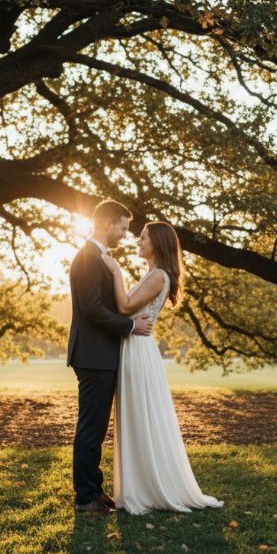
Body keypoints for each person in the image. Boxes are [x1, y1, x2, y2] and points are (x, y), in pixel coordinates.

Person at [100, 221, 224, 515]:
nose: (137, 242)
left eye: (142, 238)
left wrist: (115, 271)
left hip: (139, 350)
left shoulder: (158, 276)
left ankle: (146, 488)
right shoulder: (152, 274)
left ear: (157, 242)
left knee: (140, 414)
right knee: (136, 415)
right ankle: (137, 485)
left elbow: (125, 306)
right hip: (134, 347)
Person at [67, 199, 153, 514]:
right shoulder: (89, 257)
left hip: (99, 354)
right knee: (90, 427)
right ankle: (85, 498)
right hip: (93, 355)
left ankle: (94, 489)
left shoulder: (97, 256)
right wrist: (130, 325)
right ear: (108, 224)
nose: (125, 234)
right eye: (123, 227)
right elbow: (92, 309)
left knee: (97, 426)